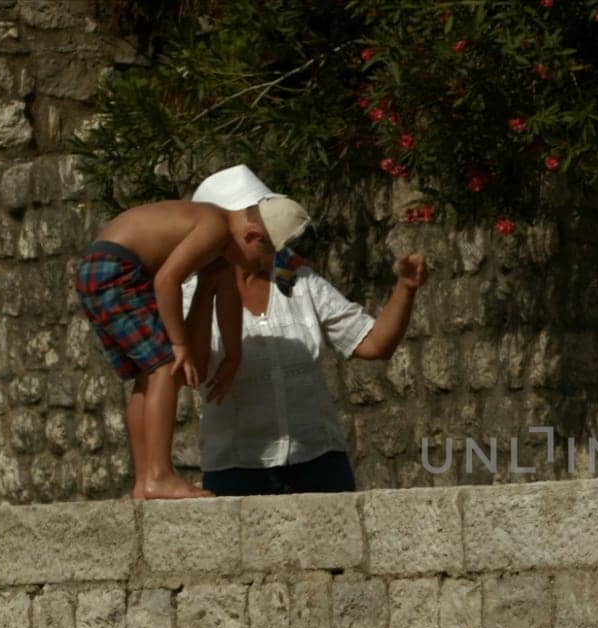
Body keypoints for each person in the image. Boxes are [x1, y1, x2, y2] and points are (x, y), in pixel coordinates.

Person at [179, 165, 426, 495]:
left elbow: (374, 344)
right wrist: (208, 286)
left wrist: (405, 288)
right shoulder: (188, 296)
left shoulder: (299, 283)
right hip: (237, 468)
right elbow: (190, 370)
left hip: (319, 461)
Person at [76, 194, 310, 499]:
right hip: (117, 268)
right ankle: (159, 475)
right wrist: (178, 343)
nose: (260, 270)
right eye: (263, 261)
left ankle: (144, 481)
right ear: (253, 237)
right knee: (164, 367)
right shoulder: (214, 226)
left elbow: (227, 295)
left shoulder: (225, 244)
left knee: (147, 376)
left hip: (101, 268)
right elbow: (166, 281)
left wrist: (233, 355)